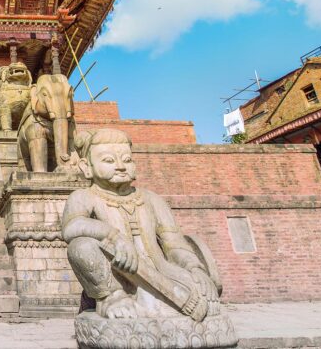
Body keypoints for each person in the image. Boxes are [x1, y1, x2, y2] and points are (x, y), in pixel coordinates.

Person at [61, 129, 219, 321]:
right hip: (117, 274)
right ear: (87, 167)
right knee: (81, 246)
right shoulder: (84, 197)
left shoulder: (151, 199)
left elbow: (174, 243)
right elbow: (71, 226)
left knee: (204, 295)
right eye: (109, 161)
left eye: (127, 160)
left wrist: (195, 268)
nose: (120, 166)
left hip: (163, 273)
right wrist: (113, 236)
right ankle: (111, 298)